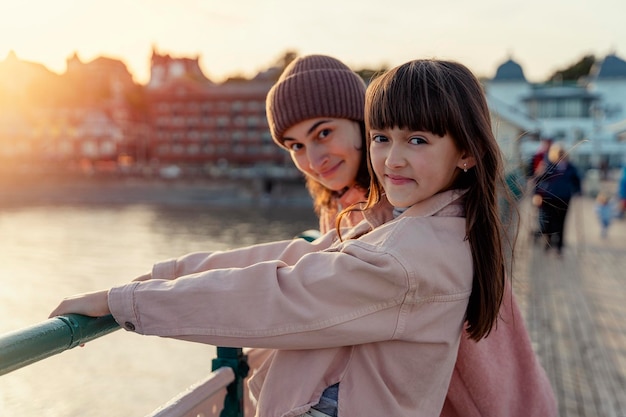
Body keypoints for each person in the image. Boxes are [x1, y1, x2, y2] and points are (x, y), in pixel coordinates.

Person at [49, 59, 547, 416]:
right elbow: (301, 257)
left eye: (416, 140)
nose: (393, 159)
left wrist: (128, 302)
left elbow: (285, 291)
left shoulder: (411, 249)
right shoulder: (413, 221)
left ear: (466, 153)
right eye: (384, 138)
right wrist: (160, 277)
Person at [267, 55, 556, 417]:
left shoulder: (398, 209)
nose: (313, 158)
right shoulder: (356, 203)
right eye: (295, 146)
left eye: (324, 133)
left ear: (361, 124)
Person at [534, 142, 582, 254]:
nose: (560, 155)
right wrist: (536, 194)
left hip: (564, 198)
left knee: (561, 222)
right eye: (558, 153)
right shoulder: (547, 165)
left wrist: (578, 191)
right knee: (549, 222)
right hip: (549, 198)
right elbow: (538, 180)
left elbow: (577, 180)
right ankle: (548, 242)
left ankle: (560, 245)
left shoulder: (570, 167)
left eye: (562, 153)